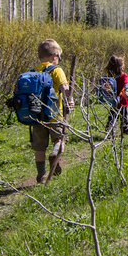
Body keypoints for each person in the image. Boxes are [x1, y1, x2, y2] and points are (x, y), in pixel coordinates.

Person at [32, 39, 74, 184]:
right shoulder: (56, 70)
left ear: (40, 57)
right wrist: (70, 99)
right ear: (55, 56)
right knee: (60, 139)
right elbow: (64, 87)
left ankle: (41, 174)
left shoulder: (34, 71)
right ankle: (55, 153)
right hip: (55, 114)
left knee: (40, 146)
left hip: (37, 116)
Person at [104, 55, 128, 136]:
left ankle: (113, 131)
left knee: (117, 116)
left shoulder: (112, 76)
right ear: (120, 67)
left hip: (117, 100)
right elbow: (126, 84)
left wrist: (127, 91)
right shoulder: (116, 76)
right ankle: (119, 130)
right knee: (119, 116)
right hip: (119, 100)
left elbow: (126, 84)